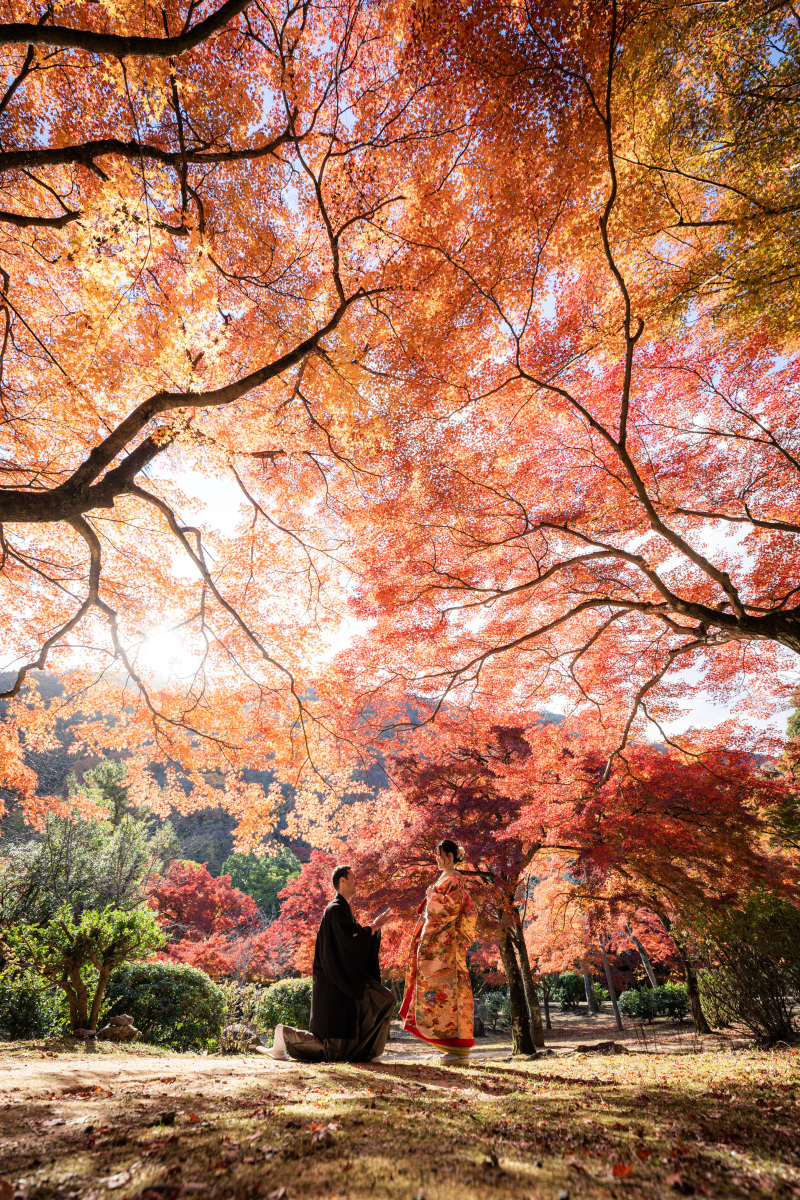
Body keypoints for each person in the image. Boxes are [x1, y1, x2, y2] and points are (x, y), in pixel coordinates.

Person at [267, 863, 394, 1063]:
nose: (356, 880)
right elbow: (351, 941)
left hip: (342, 982)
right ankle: (283, 1034)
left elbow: (354, 939)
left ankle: (369, 1052)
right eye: (352, 877)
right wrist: (374, 926)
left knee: (385, 999)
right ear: (342, 880)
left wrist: (372, 931)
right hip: (332, 984)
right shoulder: (335, 909)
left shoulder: (343, 910)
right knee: (333, 1050)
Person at [400, 838, 477, 1065]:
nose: (437, 858)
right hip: (436, 943)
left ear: (451, 857)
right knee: (435, 988)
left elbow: (451, 908)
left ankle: (455, 1044)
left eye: (440, 854)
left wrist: (431, 896)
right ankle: (450, 1044)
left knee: (448, 990)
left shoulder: (455, 878)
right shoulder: (446, 878)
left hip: (444, 947)